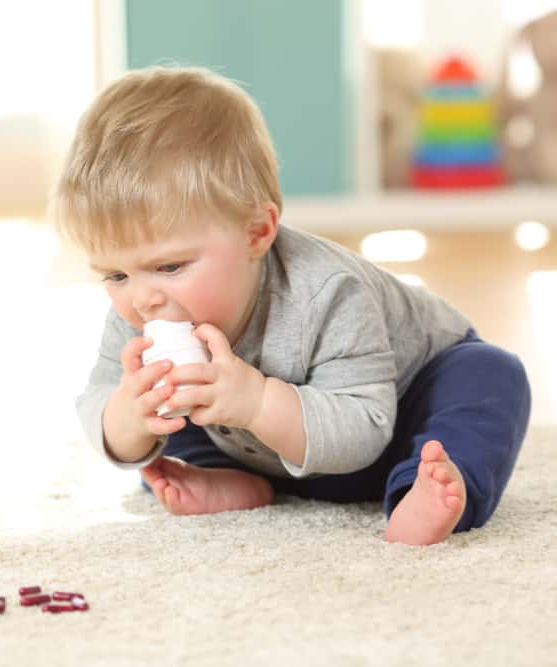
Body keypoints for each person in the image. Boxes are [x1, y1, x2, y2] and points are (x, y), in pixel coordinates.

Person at [49, 66, 531, 546]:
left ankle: (425, 493)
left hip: (395, 420)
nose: (142, 298)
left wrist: (257, 402)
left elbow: (365, 430)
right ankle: (225, 476)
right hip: (272, 451)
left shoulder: (328, 292)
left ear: (257, 232)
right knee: (168, 414)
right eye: (116, 275)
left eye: (170, 266)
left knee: (490, 375)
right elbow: (98, 402)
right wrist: (130, 419)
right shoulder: (139, 314)